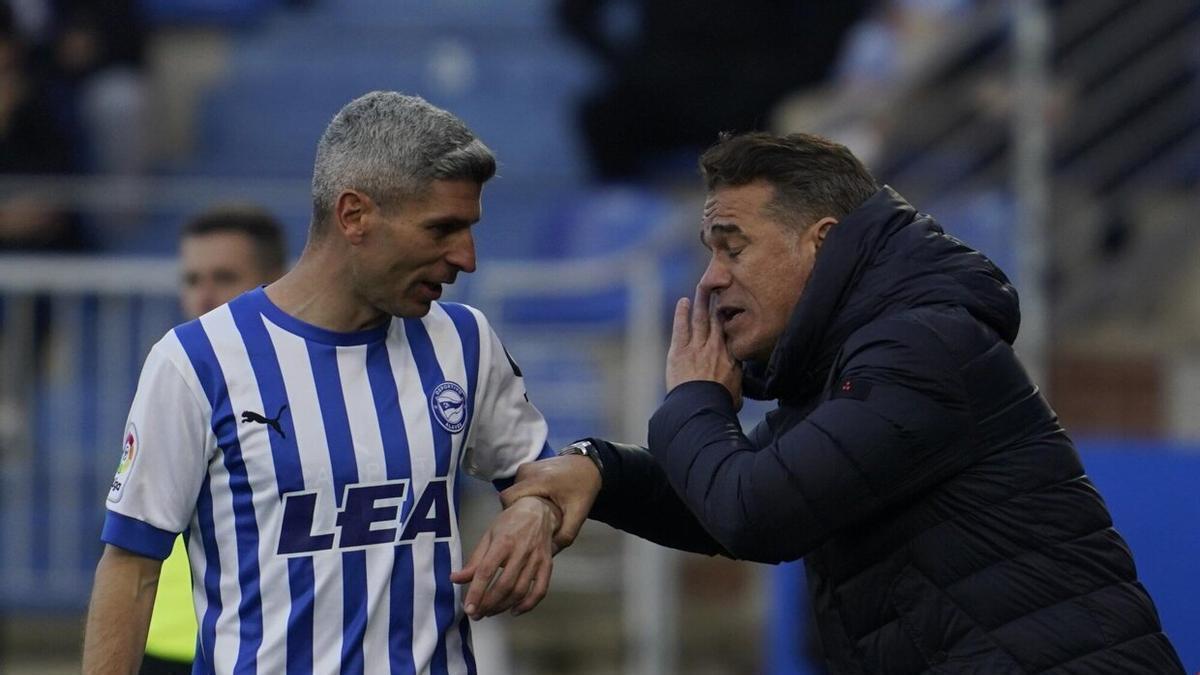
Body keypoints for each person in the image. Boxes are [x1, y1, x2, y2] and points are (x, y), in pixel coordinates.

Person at [491, 132, 1186, 672]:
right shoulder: (861, 356)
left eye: (733, 248)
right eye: (709, 250)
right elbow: (732, 491)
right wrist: (602, 470)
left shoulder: (919, 349)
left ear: (821, 244)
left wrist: (696, 397)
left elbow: (756, 510)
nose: (709, 279)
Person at [83, 91, 561, 674]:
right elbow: (131, 571)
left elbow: (543, 480)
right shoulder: (196, 361)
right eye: (443, 229)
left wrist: (537, 510)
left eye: (469, 229)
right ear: (354, 215)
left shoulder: (465, 341)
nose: (467, 257)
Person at [139, 206, 288, 674]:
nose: (203, 297)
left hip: (263, 649)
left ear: (277, 278)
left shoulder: (313, 390)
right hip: (163, 645)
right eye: (191, 279)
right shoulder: (175, 373)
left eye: (224, 277)